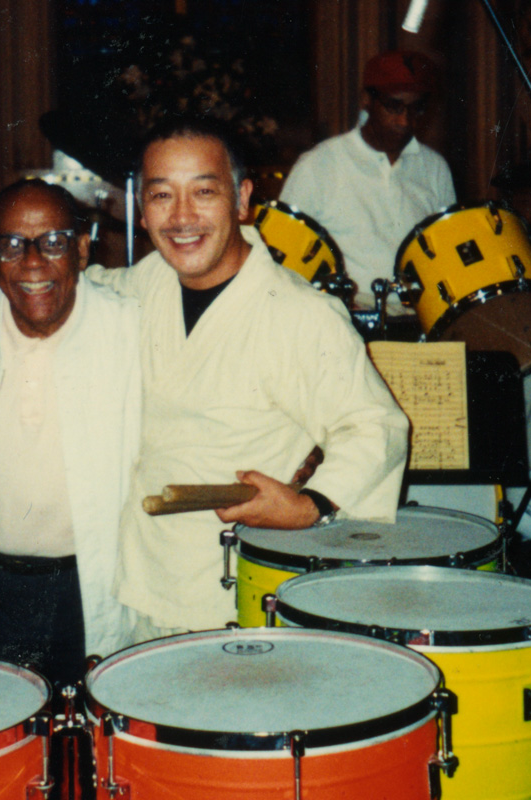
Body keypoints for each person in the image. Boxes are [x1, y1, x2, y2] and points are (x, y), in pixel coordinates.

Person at [85, 117, 409, 640]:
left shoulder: (302, 314)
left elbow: (375, 426)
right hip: (135, 581)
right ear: (142, 212)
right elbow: (80, 293)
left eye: (204, 192)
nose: (182, 216)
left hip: (232, 594)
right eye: (161, 195)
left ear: (242, 200)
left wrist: (311, 505)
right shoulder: (147, 284)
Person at [0, 180, 140, 687]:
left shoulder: (125, 327)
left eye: (52, 242)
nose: (32, 262)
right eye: (11, 244)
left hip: (84, 585)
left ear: (82, 248)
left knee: (86, 739)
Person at [280, 50, 456, 313]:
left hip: (420, 315)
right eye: (394, 106)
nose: (405, 121)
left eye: (416, 108)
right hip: (347, 315)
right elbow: (284, 260)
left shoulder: (435, 168)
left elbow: (448, 254)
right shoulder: (319, 165)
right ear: (366, 100)